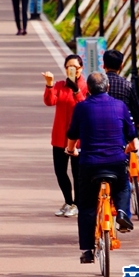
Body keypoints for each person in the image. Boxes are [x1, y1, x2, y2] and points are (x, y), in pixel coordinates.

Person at [66, 72, 137, 264]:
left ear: (88, 89)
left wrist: (70, 150)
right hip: (115, 161)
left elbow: (72, 134)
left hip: (89, 164)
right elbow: (131, 134)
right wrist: (129, 147)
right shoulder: (120, 106)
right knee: (122, 187)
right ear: (107, 87)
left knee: (87, 205)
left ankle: (87, 250)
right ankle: (122, 212)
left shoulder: (81, 107)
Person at [42, 54, 87, 217]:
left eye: (75, 67)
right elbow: (49, 101)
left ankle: (78, 204)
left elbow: (85, 106)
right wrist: (49, 85)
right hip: (60, 137)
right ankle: (69, 201)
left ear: (81, 68)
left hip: (78, 139)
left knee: (77, 173)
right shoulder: (60, 85)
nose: (72, 70)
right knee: (60, 172)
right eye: (69, 67)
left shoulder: (86, 86)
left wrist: (76, 90)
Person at [102, 49, 139, 130]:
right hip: (122, 130)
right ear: (121, 66)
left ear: (103, 65)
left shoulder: (97, 83)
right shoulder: (128, 85)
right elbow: (136, 111)